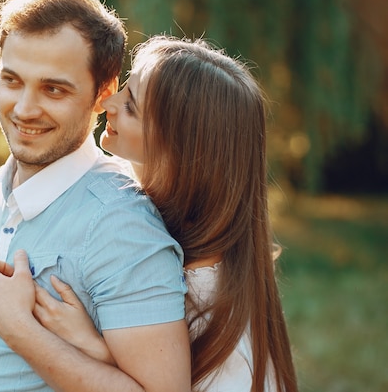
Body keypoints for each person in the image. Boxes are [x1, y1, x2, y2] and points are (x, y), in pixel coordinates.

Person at [0, 0, 191, 392]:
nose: (24, 109)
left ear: (103, 94)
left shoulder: (122, 225)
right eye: (11, 81)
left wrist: (20, 330)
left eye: (53, 88)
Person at [25, 35, 299, 391]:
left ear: (178, 148)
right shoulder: (125, 209)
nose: (108, 100)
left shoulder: (204, 305)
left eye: (132, 106)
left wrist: (95, 348)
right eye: (125, 88)